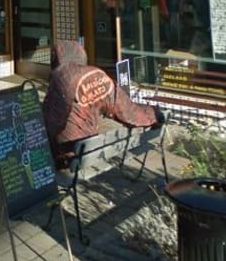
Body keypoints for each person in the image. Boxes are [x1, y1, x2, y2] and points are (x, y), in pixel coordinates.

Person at [42, 40, 163, 168]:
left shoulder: (61, 77)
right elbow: (129, 112)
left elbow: (52, 125)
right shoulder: (98, 74)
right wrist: (155, 114)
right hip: (90, 150)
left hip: (67, 155)